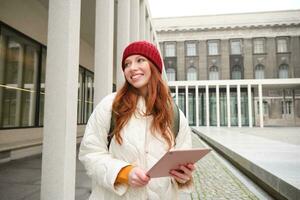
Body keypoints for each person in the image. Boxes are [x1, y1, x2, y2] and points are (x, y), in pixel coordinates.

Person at [79, 40, 195, 200]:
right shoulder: (109, 106)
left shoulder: (174, 114)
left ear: (154, 67)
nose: (132, 68)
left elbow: (182, 160)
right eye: (127, 64)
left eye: (140, 60)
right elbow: (90, 153)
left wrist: (183, 177)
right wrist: (124, 173)